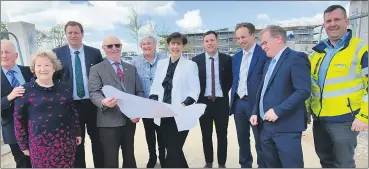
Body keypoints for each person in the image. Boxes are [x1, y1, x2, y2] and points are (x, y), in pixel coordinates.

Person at [306, 5, 368, 168]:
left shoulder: (361, 49)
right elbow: (310, 86)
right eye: (328, 21)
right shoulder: (316, 53)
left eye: (337, 19)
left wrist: (364, 116)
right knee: (326, 161)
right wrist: (305, 110)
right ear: (324, 25)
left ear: (347, 21)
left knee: (344, 164)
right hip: (319, 119)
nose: (332, 24)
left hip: (345, 120)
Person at [250, 25, 311, 168]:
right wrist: (255, 112)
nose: (263, 47)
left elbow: (303, 90)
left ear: (278, 39)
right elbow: (263, 90)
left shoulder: (296, 58)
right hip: (266, 127)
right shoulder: (268, 63)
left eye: (265, 43)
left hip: (286, 128)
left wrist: (278, 110)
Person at [13, 50, 82, 168]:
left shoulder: (65, 88)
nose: (43, 68)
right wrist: (23, 145)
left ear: (54, 68)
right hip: (40, 145)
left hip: (65, 143)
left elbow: (73, 113)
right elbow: (18, 120)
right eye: (39, 65)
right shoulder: (24, 90)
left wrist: (78, 133)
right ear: (34, 69)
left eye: (47, 65)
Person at [52, 21, 104, 168]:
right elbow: (54, 78)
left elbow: (101, 76)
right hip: (71, 106)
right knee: (76, 142)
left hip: (92, 104)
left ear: (82, 34)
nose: (73, 35)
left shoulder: (94, 53)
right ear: (66, 35)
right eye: (70, 33)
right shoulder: (57, 53)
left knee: (97, 140)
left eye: (76, 32)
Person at [88, 35, 144, 168]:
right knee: (110, 159)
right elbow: (94, 92)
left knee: (129, 156)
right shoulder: (96, 69)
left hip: (130, 120)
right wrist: (103, 102)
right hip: (108, 121)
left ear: (121, 47)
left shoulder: (131, 68)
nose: (114, 48)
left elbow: (139, 92)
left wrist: (137, 111)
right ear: (104, 49)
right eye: (110, 46)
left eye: (117, 45)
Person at [149, 32, 200, 168]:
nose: (175, 46)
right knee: (173, 149)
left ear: (183, 46)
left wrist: (185, 103)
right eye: (173, 43)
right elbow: (155, 87)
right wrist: (153, 101)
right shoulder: (161, 64)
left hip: (180, 114)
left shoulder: (190, 65)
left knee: (173, 149)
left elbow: (195, 91)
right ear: (168, 45)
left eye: (178, 43)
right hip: (163, 113)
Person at [229, 22, 268, 168]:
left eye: (243, 37)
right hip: (239, 103)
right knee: (242, 139)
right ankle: (245, 165)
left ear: (253, 35)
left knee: (260, 140)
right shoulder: (236, 58)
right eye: (237, 38)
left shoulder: (264, 55)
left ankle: (262, 165)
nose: (240, 41)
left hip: (255, 104)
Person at [192, 31, 232, 168]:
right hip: (204, 103)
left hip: (221, 102)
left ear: (217, 42)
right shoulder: (196, 61)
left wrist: (222, 92)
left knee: (222, 135)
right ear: (204, 44)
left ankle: (222, 164)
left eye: (212, 40)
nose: (210, 43)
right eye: (207, 41)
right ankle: (208, 162)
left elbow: (229, 80)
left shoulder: (227, 59)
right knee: (206, 135)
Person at [131, 35, 167, 168]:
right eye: (143, 44)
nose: (146, 46)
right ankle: (152, 156)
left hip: (161, 104)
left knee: (162, 132)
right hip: (145, 104)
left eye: (149, 43)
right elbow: (133, 83)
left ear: (155, 45)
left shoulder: (164, 59)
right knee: (149, 133)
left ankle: (163, 157)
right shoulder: (135, 62)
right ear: (141, 47)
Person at [1, 40, 32, 168]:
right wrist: (9, 97)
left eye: (7, 52)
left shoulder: (29, 71)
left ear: (16, 55)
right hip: (12, 128)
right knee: (23, 163)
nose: (3, 55)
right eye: (1, 52)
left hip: (35, 125)